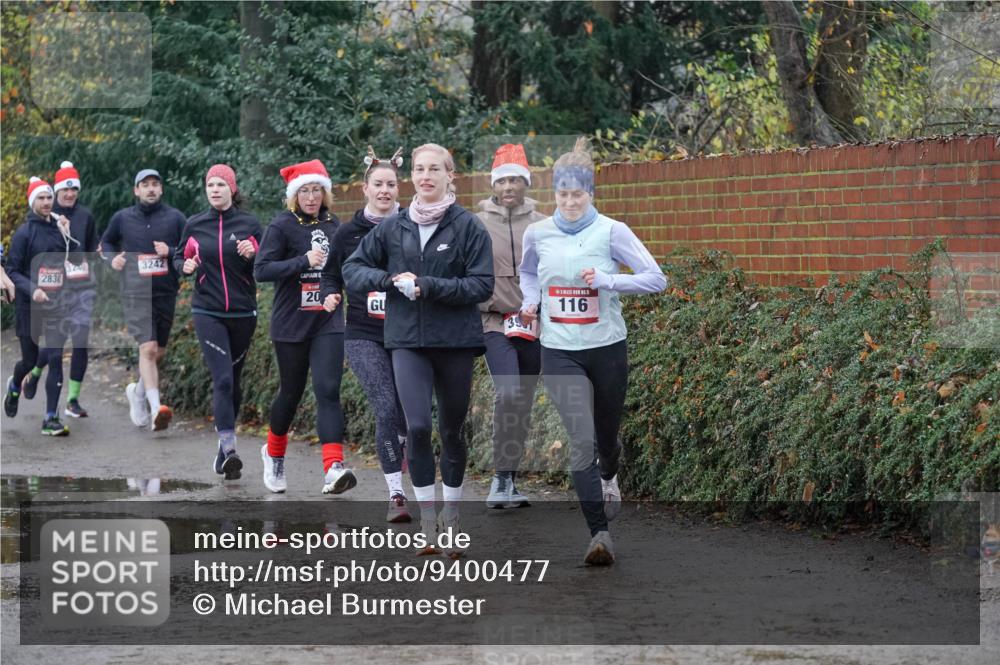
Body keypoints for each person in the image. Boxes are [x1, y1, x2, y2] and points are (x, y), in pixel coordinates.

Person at [519, 137, 667, 565]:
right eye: (562, 194)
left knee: (605, 438)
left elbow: (656, 278)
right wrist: (532, 302)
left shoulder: (612, 231)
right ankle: (599, 534)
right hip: (559, 349)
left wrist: (609, 281)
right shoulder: (538, 233)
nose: (569, 202)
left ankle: (610, 470)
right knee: (581, 441)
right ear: (554, 194)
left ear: (590, 193)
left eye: (577, 194)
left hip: (606, 348)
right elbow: (528, 274)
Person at [343, 143, 494, 555]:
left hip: (456, 343)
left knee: (451, 430)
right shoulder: (394, 227)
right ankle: (428, 521)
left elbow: (482, 286)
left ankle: (453, 515)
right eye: (419, 169)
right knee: (418, 429)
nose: (425, 176)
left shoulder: (468, 227)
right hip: (407, 342)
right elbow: (352, 269)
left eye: (434, 170)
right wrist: (389, 280)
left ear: (450, 177)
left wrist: (429, 286)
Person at [255, 159, 355, 496]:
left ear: (325, 194)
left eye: (317, 190)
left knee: (328, 390)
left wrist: (337, 290)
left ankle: (333, 468)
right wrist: (303, 261)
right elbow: (262, 269)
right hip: (291, 322)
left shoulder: (334, 224)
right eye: (305, 191)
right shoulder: (282, 226)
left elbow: (340, 269)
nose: (311, 197)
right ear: (294, 195)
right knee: (291, 392)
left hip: (327, 320)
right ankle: (274, 453)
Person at [324, 146, 410, 521]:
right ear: (366, 188)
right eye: (378, 184)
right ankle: (395, 495)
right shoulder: (348, 233)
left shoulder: (412, 225)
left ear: (398, 188)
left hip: (407, 332)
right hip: (362, 333)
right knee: (386, 405)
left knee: (408, 412)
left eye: (391, 184)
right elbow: (330, 273)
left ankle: (401, 452)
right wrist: (330, 293)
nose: (385, 190)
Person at [174, 164, 262, 480]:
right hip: (207, 311)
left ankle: (223, 453)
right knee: (223, 378)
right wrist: (183, 265)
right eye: (210, 185)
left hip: (243, 313)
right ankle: (230, 447)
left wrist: (254, 252)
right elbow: (179, 256)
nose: (214, 190)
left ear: (232, 190)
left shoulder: (250, 223)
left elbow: (268, 261)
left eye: (220, 185)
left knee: (234, 382)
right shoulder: (195, 224)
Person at [477, 144, 546, 509]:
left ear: (525, 183)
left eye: (515, 180)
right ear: (493, 184)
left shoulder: (542, 222)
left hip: (534, 324)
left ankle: (510, 478)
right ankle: (498, 479)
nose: (508, 186)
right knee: (508, 393)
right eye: (502, 180)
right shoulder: (477, 221)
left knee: (523, 402)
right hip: (493, 323)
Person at [101, 168, 187, 431]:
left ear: (161, 189)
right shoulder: (122, 218)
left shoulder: (175, 218)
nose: (150, 189)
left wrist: (170, 251)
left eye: (155, 184)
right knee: (148, 349)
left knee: (158, 352)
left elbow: (189, 248)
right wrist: (111, 258)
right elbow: (105, 243)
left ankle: (137, 393)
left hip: (165, 292)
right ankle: (156, 409)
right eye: (145, 185)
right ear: (136, 191)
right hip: (135, 292)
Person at [4, 177, 80, 435]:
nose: (47, 202)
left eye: (49, 197)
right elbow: (12, 271)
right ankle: (14, 387)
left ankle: (50, 418)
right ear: (32, 201)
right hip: (29, 306)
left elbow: (65, 264)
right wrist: (32, 289)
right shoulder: (24, 233)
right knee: (29, 360)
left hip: (56, 304)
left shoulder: (60, 228)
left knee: (56, 358)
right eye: (41, 198)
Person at [23, 162, 99, 418]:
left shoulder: (86, 216)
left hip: (82, 288)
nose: (69, 195)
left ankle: (73, 400)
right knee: (57, 343)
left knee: (80, 342)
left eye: (73, 190)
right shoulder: (48, 215)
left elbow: (91, 248)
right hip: (55, 290)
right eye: (64, 191)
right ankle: (34, 373)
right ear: (55, 192)